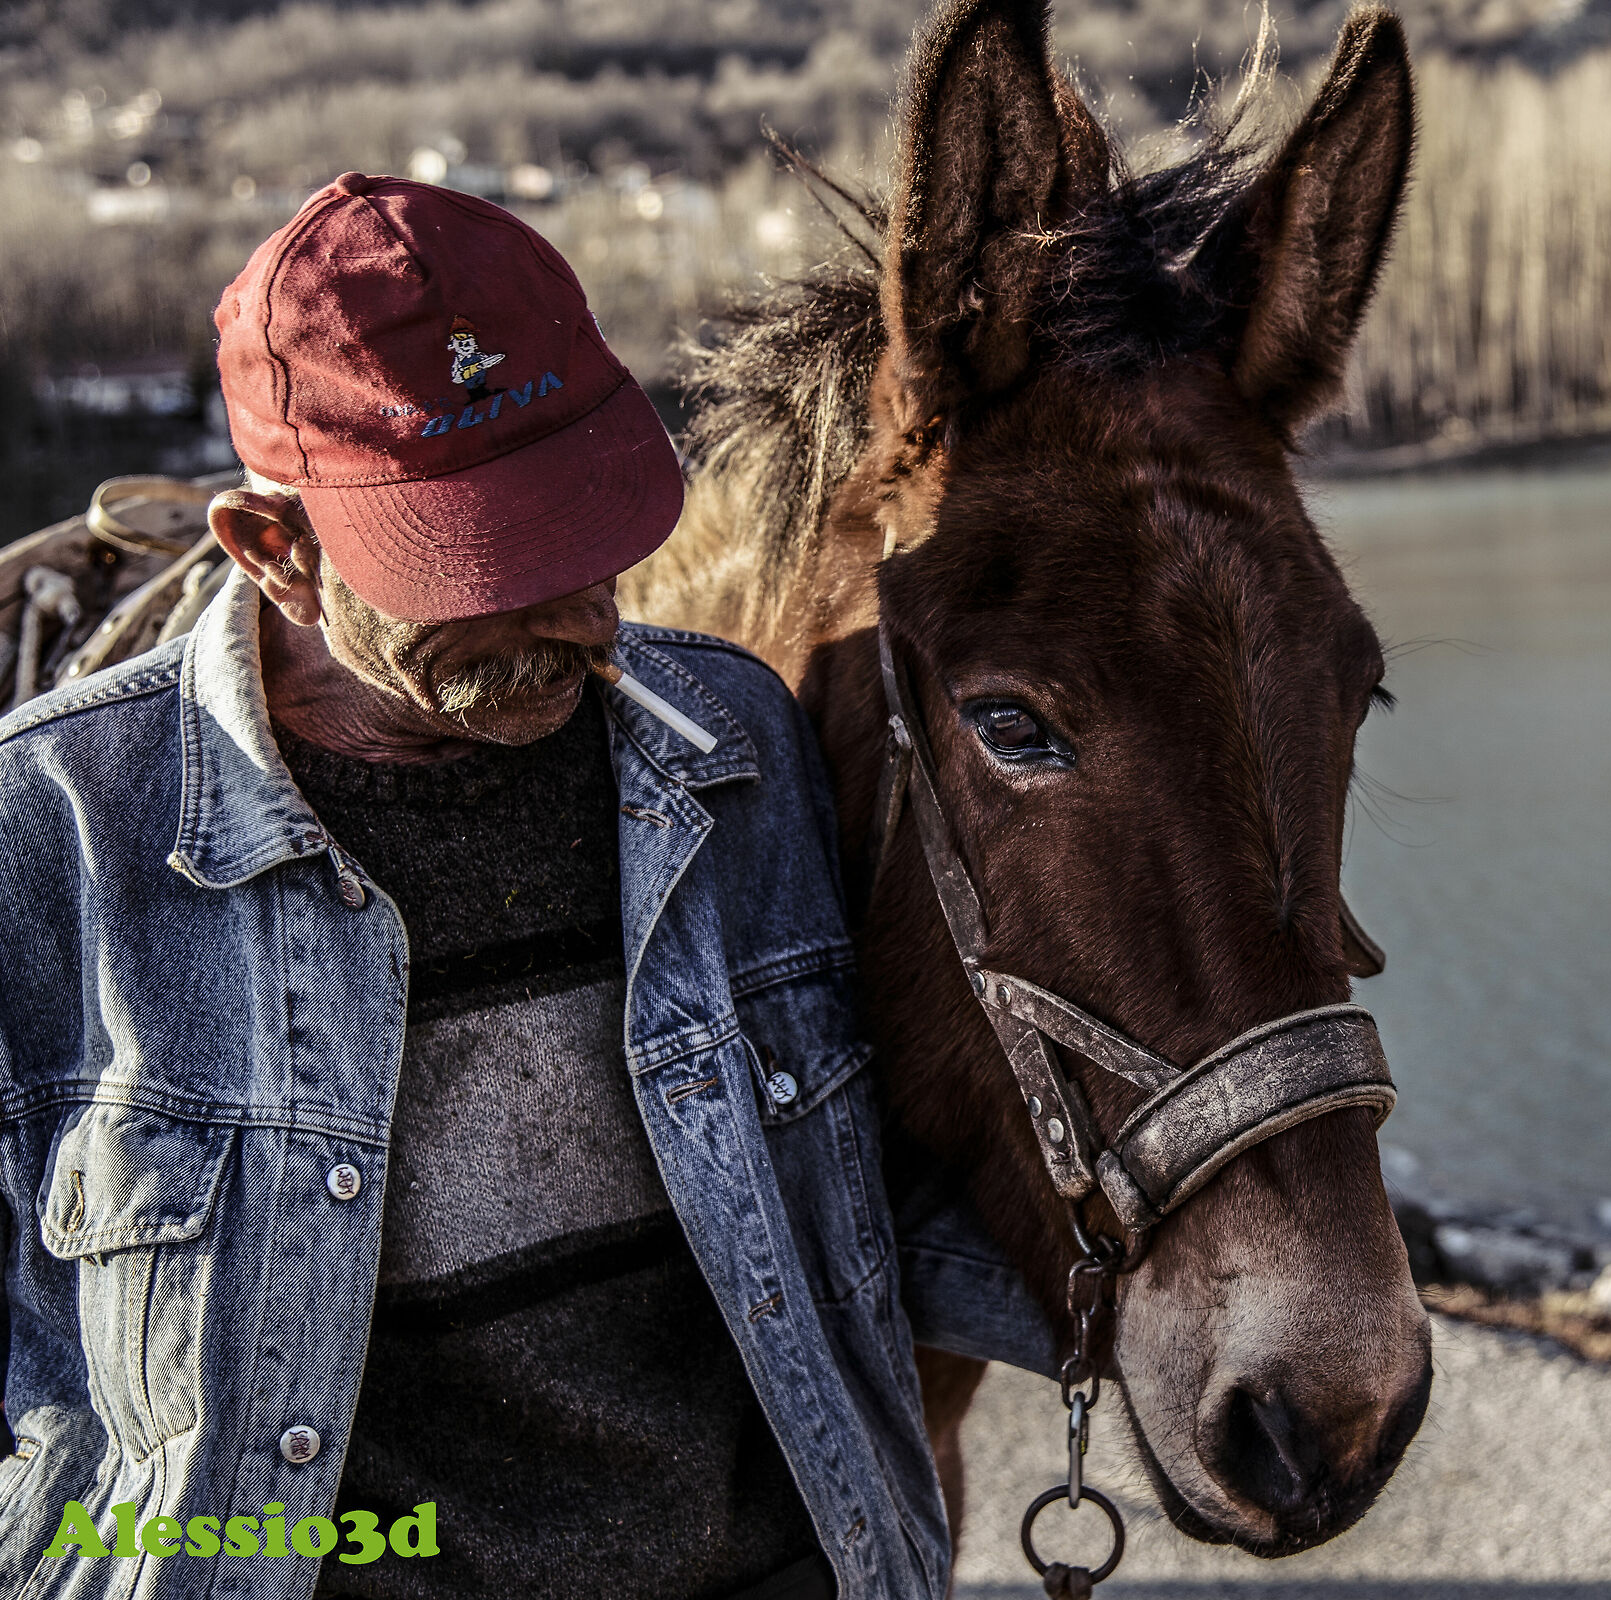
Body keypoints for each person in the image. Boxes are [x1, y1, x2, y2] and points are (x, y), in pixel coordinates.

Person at [0, 174, 1040, 1600]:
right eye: (486, 563)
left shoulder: (737, 748)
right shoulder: (47, 837)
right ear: (274, 552)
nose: (580, 611)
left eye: (593, 529)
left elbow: (867, 1190)